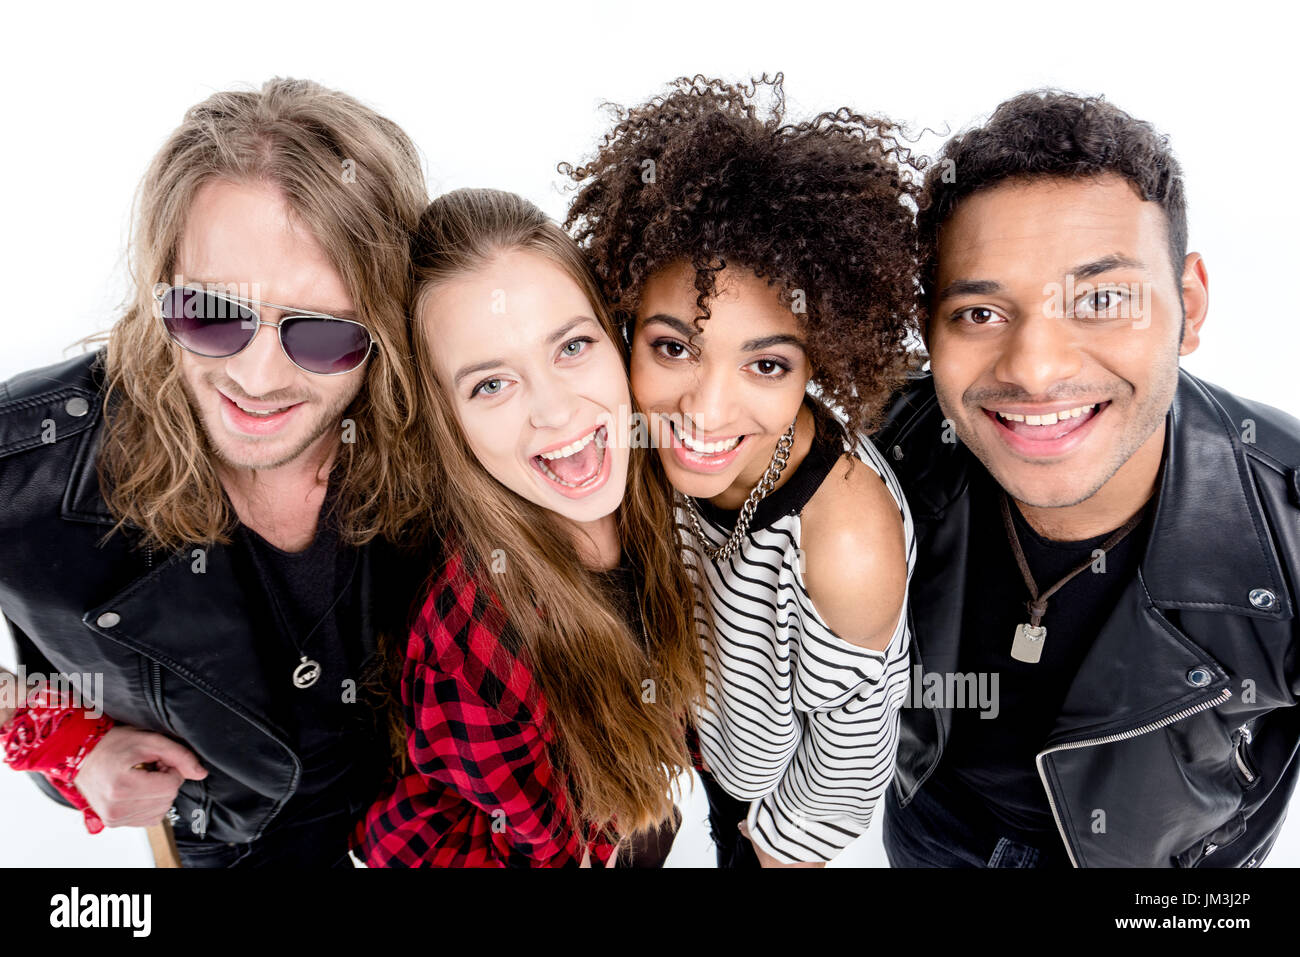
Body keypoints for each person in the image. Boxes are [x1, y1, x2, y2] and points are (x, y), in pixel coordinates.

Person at [0, 77, 433, 867]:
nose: (259, 376)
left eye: (323, 334)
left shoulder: (456, 421)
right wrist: (65, 747)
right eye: (210, 313)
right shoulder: (30, 465)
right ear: (159, 283)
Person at [876, 90, 1300, 868]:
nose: (1036, 369)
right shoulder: (889, 450)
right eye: (978, 312)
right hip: (933, 829)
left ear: (1189, 303)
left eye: (1101, 298)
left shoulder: (1291, 517)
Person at [561, 75, 920, 867]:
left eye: (765, 363)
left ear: (818, 359)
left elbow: (847, 757)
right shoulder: (627, 433)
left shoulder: (846, 541)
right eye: (674, 347)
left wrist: (772, 847)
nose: (707, 411)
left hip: (765, 801)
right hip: (693, 736)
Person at [352, 188, 704, 867]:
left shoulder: (672, 475)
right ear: (447, 423)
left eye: (572, 345)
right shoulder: (475, 644)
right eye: (490, 384)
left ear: (615, 333)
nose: (554, 408)